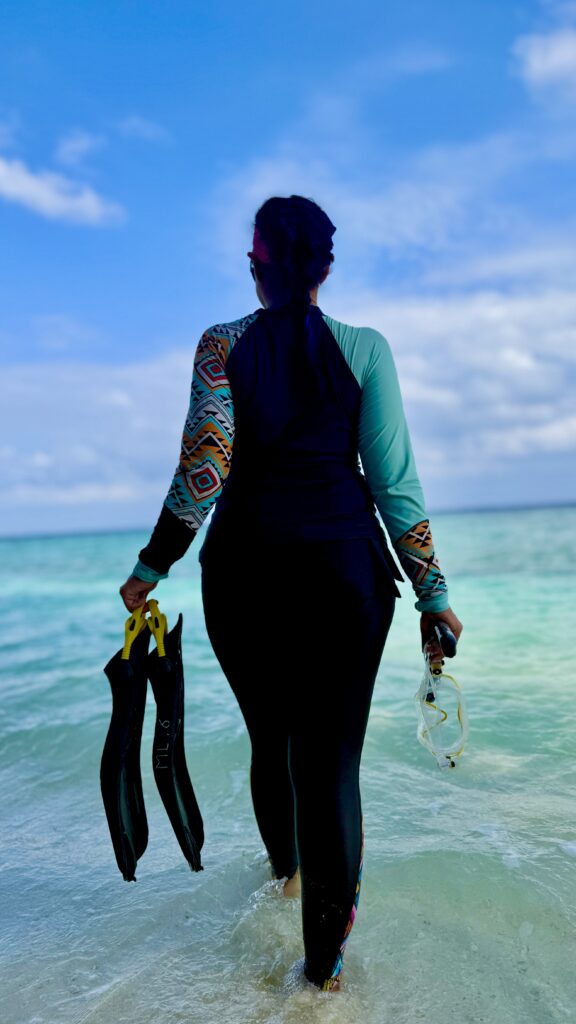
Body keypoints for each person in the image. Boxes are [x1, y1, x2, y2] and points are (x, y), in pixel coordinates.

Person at [119, 194, 463, 992]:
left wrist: (151, 568)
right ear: (326, 268)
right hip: (347, 575)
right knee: (331, 765)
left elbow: (203, 473)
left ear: (256, 262)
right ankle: (325, 975)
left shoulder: (221, 345)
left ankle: (288, 883)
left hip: (244, 578)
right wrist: (432, 592)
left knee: (271, 739)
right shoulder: (366, 350)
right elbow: (394, 485)